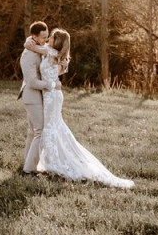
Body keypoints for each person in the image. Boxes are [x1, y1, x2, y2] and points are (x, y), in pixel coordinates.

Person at [25, 28, 134, 188]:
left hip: (52, 96)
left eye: (52, 37)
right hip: (53, 95)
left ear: (57, 42)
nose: (49, 39)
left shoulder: (50, 52)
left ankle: (55, 162)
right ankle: (53, 159)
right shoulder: (58, 56)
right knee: (53, 126)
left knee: (50, 127)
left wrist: (32, 40)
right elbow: (60, 70)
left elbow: (30, 46)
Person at [18, 21, 59, 174]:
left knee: (32, 131)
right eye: (43, 38)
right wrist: (50, 85)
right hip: (31, 96)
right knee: (40, 131)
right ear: (33, 37)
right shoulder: (28, 54)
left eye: (47, 37)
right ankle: (29, 169)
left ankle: (26, 162)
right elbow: (31, 81)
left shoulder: (37, 48)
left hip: (37, 96)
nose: (46, 41)